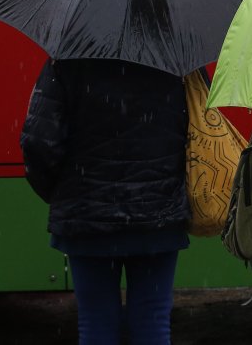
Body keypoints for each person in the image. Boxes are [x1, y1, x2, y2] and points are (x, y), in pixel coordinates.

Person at [21, 58, 191, 345]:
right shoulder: (177, 57)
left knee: (96, 322)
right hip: (157, 217)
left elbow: (38, 141)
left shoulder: (66, 59)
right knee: (152, 319)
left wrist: (63, 192)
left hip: (86, 216)